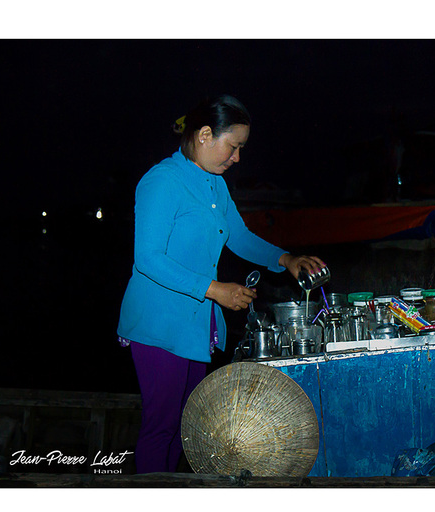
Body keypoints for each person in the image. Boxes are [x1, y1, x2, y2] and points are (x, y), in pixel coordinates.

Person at [117, 95, 326, 474]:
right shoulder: (162, 181)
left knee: (186, 427)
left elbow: (239, 236)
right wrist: (216, 290)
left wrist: (286, 259)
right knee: (160, 427)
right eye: (233, 147)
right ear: (204, 135)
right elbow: (148, 259)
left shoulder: (214, 185)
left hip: (194, 325)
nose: (237, 158)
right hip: (158, 324)